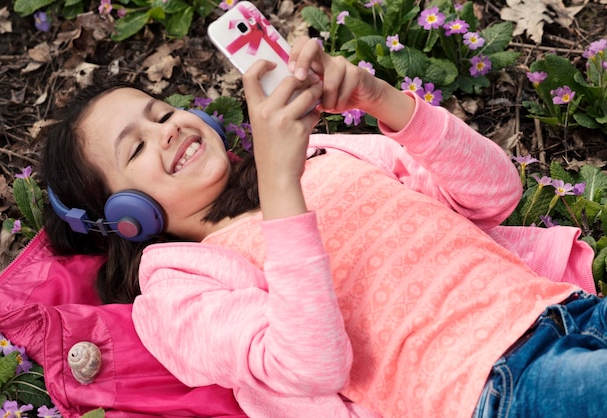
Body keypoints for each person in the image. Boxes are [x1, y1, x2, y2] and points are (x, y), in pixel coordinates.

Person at [40, 35, 602, 418]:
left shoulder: (325, 155)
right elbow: (309, 364)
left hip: (567, 311)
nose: (166, 129)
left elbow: (494, 195)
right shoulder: (177, 288)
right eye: (135, 146)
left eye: (162, 113)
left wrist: (380, 100)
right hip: (489, 385)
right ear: (123, 218)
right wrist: (280, 185)